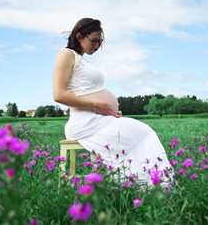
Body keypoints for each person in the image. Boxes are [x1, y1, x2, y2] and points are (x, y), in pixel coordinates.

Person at [53, 17, 174, 188]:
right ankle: (150, 183)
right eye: (93, 41)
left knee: (143, 133)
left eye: (99, 42)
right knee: (144, 133)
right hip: (85, 124)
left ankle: (150, 181)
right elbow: (59, 95)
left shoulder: (82, 60)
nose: (96, 46)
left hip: (100, 120)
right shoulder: (67, 54)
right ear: (79, 36)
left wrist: (109, 112)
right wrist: (99, 106)